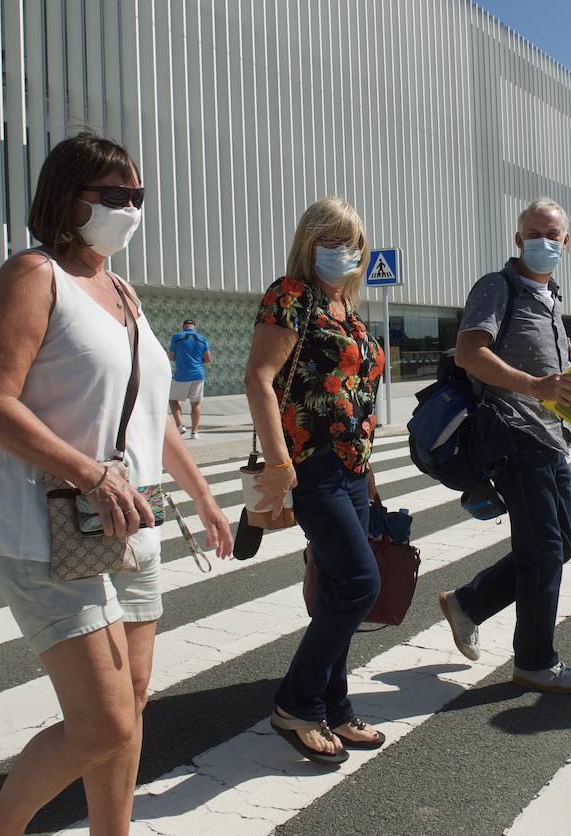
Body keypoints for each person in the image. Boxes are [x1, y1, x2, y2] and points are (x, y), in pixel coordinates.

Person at [0, 133, 234, 836]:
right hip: (45, 521)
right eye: (112, 196)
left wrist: (202, 496)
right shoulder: (33, 275)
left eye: (137, 197)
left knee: (132, 703)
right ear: (67, 196)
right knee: (104, 720)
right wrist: (86, 470)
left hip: (129, 520)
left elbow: (151, 414)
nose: (128, 209)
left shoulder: (123, 292)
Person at [244, 196, 387, 765]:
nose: (343, 251)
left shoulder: (346, 308)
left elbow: (354, 398)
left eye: (352, 242)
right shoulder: (292, 296)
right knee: (360, 583)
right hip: (312, 466)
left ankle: (336, 703)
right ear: (309, 243)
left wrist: (370, 472)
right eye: (331, 240)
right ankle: (296, 702)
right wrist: (279, 463)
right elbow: (258, 378)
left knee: (336, 588)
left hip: (351, 470)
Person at [438, 197, 571, 694]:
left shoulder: (552, 297)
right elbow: (468, 353)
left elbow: (554, 373)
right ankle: (534, 661)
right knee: (544, 551)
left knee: (557, 546)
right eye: (534, 233)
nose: (544, 242)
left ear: (565, 243)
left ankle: (469, 604)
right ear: (518, 239)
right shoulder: (496, 287)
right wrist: (536, 386)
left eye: (554, 235)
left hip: (551, 437)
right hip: (513, 435)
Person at [168, 318, 212, 438]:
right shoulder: (202, 339)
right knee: (196, 404)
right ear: (194, 327)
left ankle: (180, 425)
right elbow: (208, 359)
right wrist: (197, 360)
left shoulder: (177, 337)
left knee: (172, 400)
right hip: (198, 374)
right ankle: (194, 432)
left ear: (184, 327)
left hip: (181, 375)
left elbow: (171, 357)